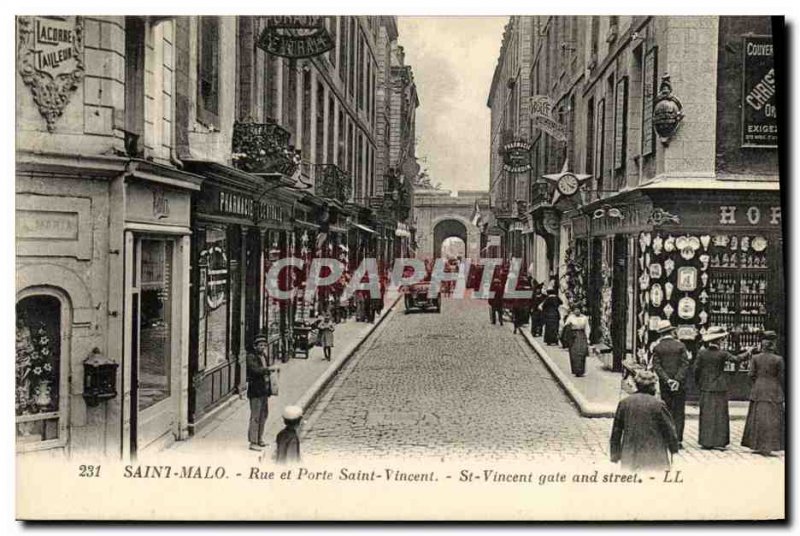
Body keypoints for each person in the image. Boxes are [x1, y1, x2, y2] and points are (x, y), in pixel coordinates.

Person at [610, 370, 680, 472]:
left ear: (636, 385)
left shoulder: (624, 403)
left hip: (630, 456)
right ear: (653, 386)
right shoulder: (659, 404)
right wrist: (674, 450)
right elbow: (669, 430)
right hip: (655, 456)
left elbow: (616, 431)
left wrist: (615, 455)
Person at [694, 326, 751, 450]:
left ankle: (706, 440)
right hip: (720, 386)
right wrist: (748, 352)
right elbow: (736, 359)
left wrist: (699, 382)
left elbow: (696, 369)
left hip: (706, 386)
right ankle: (719, 441)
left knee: (706, 413)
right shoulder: (722, 353)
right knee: (720, 414)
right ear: (719, 340)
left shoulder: (702, 353)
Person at [741, 331, 785, 456]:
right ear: (773, 344)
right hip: (774, 391)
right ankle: (771, 445)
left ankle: (756, 444)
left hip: (758, 390)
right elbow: (781, 376)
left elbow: (751, 375)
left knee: (757, 417)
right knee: (773, 418)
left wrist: (758, 382)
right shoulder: (778, 359)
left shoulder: (755, 358)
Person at [651, 320, 690, 448]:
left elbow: (657, 366)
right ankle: (678, 440)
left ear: (661, 334)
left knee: (666, 410)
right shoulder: (680, 346)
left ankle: (667, 438)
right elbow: (685, 364)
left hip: (665, 384)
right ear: (671, 332)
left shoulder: (657, 348)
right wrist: (677, 380)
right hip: (680, 384)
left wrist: (667, 380)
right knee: (679, 411)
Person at [246, 334, 276, 451]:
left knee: (264, 415)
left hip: (264, 390)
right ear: (255, 346)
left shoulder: (264, 355)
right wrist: (268, 370)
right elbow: (255, 370)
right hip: (255, 391)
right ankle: (253, 442)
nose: (262, 347)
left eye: (264, 345)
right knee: (255, 416)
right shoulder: (251, 357)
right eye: (260, 345)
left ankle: (260, 439)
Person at [563, 305, 591, 377]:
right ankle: (575, 370)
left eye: (578, 309)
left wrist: (587, 338)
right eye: (575, 309)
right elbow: (565, 326)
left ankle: (581, 370)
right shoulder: (571, 317)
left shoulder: (584, 318)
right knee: (574, 353)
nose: (577, 311)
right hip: (573, 336)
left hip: (581, 335)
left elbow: (587, 328)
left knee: (581, 353)